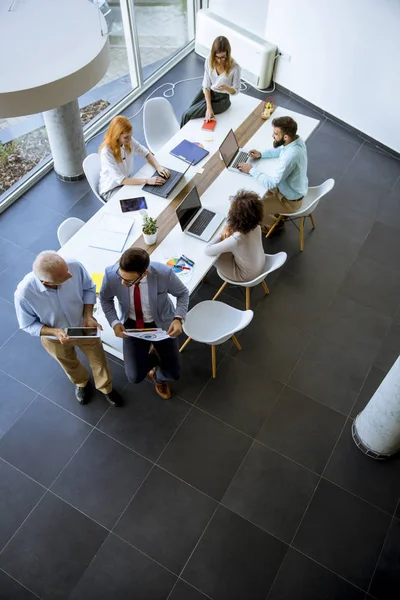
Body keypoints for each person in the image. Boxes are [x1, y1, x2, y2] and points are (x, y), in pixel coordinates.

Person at [14, 251, 120, 406]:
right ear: (46, 283)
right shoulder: (24, 295)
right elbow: (27, 325)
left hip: (84, 326)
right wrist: (55, 332)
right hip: (55, 338)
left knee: (98, 359)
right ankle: (81, 382)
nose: (70, 276)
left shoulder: (73, 266)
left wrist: (88, 315)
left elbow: (89, 288)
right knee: (68, 362)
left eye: (67, 270)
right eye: (64, 277)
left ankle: (105, 388)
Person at [100, 248, 189, 400]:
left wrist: (178, 318)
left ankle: (158, 377)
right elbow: (105, 299)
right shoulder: (110, 274)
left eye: (128, 281)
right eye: (120, 276)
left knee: (173, 373)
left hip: (161, 323)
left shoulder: (164, 274)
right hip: (132, 325)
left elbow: (183, 293)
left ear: (144, 273)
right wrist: (114, 322)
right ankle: (155, 355)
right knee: (134, 377)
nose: (122, 282)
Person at [238, 116, 308, 230]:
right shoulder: (296, 141)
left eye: (275, 134)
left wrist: (250, 169)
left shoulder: (290, 158)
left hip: (289, 201)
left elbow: (272, 184)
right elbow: (281, 149)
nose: (272, 136)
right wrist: (261, 154)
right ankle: (274, 212)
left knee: (254, 210)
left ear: (285, 137)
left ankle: (273, 226)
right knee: (259, 192)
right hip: (293, 189)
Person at [98, 115, 170, 201]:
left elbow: (146, 153)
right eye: (126, 137)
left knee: (150, 195)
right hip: (111, 190)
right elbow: (121, 180)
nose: (129, 139)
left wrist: (158, 167)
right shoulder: (107, 152)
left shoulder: (128, 141)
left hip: (125, 183)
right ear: (116, 135)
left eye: (130, 136)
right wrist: (147, 180)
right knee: (140, 202)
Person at [205, 190, 265, 282]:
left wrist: (222, 233)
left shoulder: (236, 240)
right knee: (225, 247)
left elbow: (208, 250)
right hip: (260, 263)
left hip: (246, 276)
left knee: (214, 257)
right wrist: (228, 227)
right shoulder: (256, 226)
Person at [180, 36, 241, 127]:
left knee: (187, 115)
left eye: (223, 57)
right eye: (217, 57)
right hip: (209, 93)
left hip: (222, 100)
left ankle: (182, 139)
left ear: (227, 54)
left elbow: (236, 90)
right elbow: (206, 85)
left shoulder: (235, 67)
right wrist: (209, 107)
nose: (219, 61)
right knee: (189, 112)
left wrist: (227, 88)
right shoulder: (209, 60)